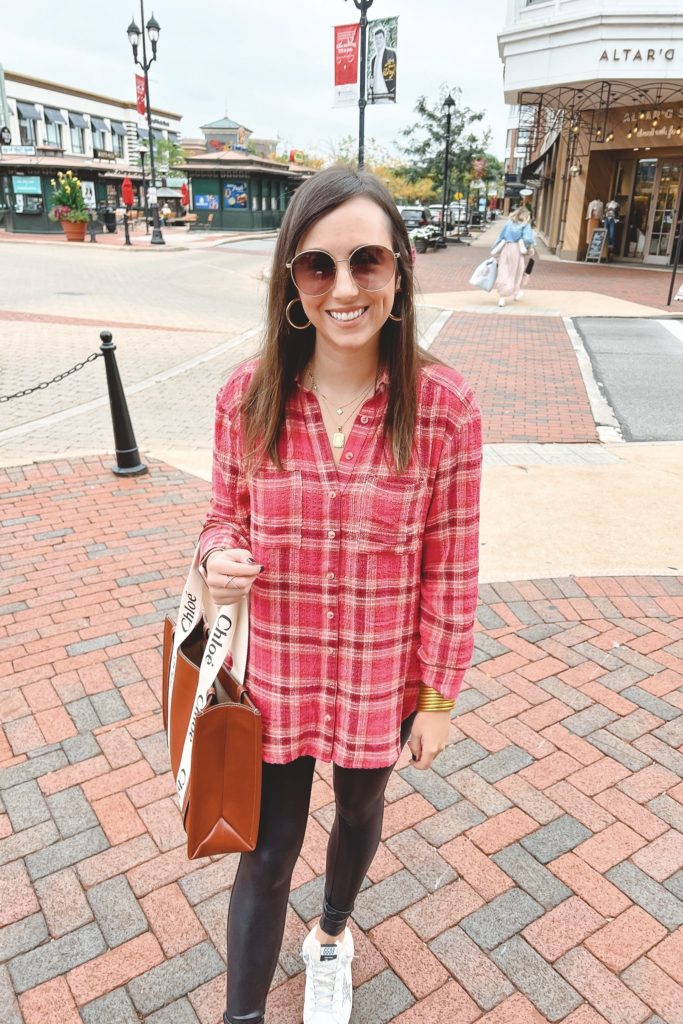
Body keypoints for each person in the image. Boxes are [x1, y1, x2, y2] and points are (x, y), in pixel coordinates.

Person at [199, 165, 482, 1024]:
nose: (345, 287)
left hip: (378, 675)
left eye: (367, 261)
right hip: (276, 673)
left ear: (398, 271)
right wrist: (217, 557)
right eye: (318, 266)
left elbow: (453, 565)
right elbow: (219, 519)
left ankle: (331, 933)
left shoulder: (444, 409)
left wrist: (436, 695)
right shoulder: (245, 401)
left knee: (360, 807)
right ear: (292, 280)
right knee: (267, 850)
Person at [492, 206, 536, 307]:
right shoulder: (525, 226)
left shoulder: (509, 223)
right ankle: (516, 292)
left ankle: (502, 297)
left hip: (506, 249)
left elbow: (501, 237)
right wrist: (529, 249)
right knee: (516, 273)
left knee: (504, 271)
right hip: (517, 251)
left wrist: (495, 248)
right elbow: (528, 239)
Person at [368, 27, 396, 103]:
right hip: (375, 97)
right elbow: (373, 79)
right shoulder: (373, 59)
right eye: (376, 38)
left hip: (387, 96)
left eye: (380, 37)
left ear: (384, 39)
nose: (378, 40)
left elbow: (393, 75)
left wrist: (392, 96)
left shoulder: (390, 53)